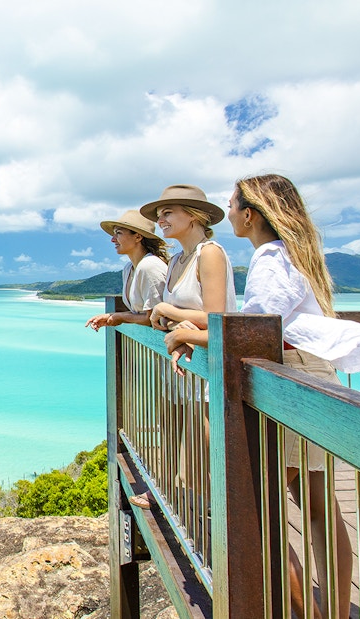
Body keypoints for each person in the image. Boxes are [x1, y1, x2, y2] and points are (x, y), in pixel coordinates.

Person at [166, 174, 360, 618]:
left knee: (261, 507)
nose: (230, 212)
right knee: (318, 507)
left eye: (233, 205)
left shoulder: (270, 258)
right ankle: (330, 611)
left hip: (288, 380)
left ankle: (304, 613)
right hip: (313, 372)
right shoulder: (297, 254)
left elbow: (255, 331)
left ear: (250, 213)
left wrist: (188, 334)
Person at [128, 184, 237, 509]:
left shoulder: (210, 253)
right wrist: (171, 321)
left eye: (167, 213)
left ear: (193, 215)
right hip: (181, 367)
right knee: (182, 450)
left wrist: (169, 313)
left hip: (205, 370)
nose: (161, 220)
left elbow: (217, 318)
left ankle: (216, 536)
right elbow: (173, 317)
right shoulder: (177, 261)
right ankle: (174, 500)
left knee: (204, 461)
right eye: (159, 214)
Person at [85, 210, 168, 331]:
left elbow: (154, 317)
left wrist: (120, 317)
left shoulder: (149, 266)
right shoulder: (129, 268)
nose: (113, 239)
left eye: (118, 233)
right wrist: (112, 316)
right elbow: (140, 313)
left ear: (138, 237)